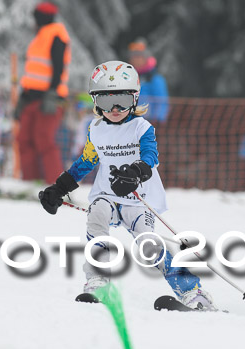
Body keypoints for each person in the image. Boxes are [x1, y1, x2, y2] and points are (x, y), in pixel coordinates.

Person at [37, 60, 216, 310]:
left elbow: (150, 157)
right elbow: (87, 161)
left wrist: (135, 172)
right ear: (95, 103)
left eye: (121, 99)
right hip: (108, 195)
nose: (115, 108)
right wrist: (59, 188)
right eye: (106, 102)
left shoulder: (142, 128)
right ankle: (98, 280)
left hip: (138, 197)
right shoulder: (96, 129)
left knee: (148, 247)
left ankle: (194, 292)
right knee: (97, 214)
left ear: (135, 97)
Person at [15, 1, 71, 183]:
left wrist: (52, 93)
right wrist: (24, 95)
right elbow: (34, 71)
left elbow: (58, 68)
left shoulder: (56, 35)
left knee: (44, 140)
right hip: (31, 96)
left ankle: (56, 184)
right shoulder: (40, 36)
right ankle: (31, 181)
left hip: (49, 98)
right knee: (25, 139)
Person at [127, 38, 169, 124]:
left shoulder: (155, 79)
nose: (136, 60)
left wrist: (157, 122)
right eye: (134, 57)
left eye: (139, 57)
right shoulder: (128, 78)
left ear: (145, 58)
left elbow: (162, 103)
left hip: (149, 122)